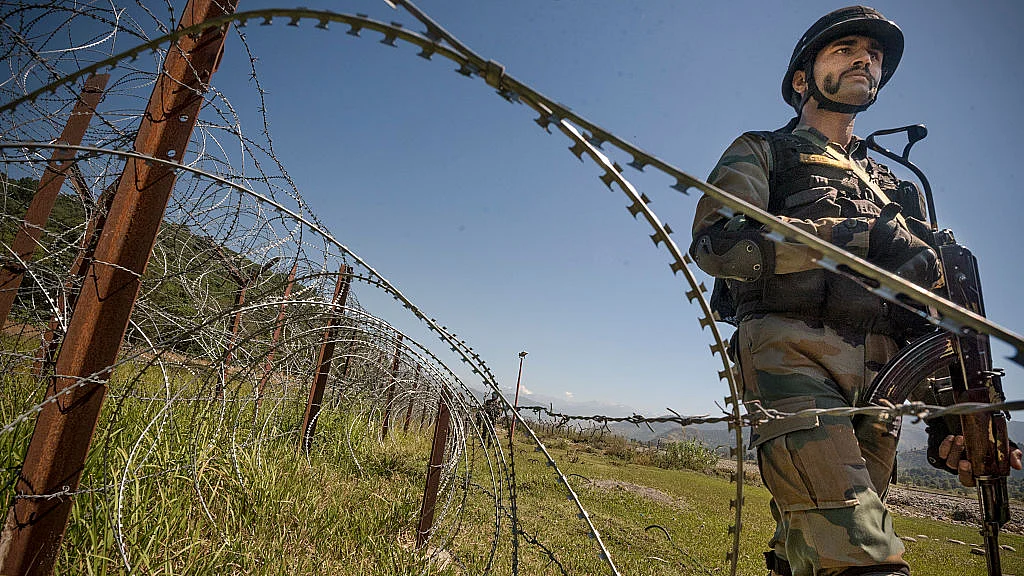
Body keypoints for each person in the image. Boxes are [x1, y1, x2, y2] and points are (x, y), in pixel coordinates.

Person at [689, 6, 1019, 575]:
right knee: (862, 552)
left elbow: (926, 320)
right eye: (844, 50)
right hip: (792, 354)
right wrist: (858, 235)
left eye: (873, 55)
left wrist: (949, 422)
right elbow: (718, 245)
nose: (865, 58)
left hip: (886, 381)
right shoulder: (765, 151)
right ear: (802, 79)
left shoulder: (899, 187)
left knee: (808, 551)